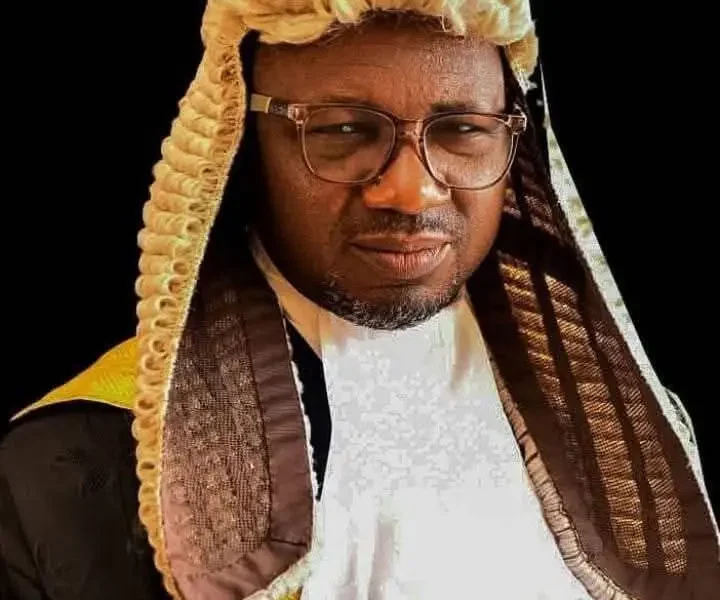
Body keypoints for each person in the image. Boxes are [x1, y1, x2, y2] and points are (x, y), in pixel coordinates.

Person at [1, 1, 718, 599]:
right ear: (240, 145)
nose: (411, 191)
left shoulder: (619, 421)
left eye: (463, 130)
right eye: (343, 131)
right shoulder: (83, 454)